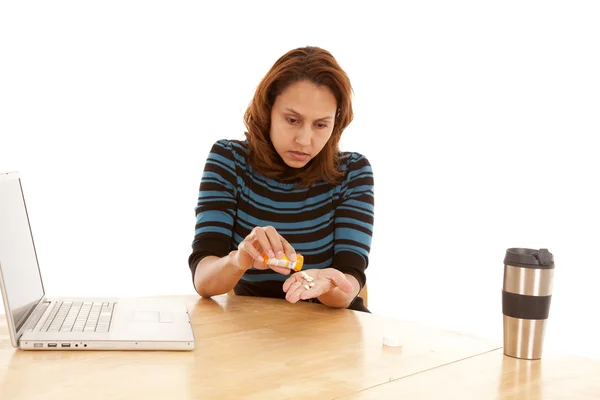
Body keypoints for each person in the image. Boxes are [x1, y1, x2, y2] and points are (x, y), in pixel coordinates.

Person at [188, 46, 374, 312]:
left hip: (332, 329)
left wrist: (329, 284)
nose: (304, 140)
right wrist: (239, 260)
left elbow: (349, 284)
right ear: (268, 111)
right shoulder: (229, 160)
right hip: (252, 328)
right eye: (292, 119)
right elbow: (204, 281)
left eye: (320, 125)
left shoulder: (352, 172)